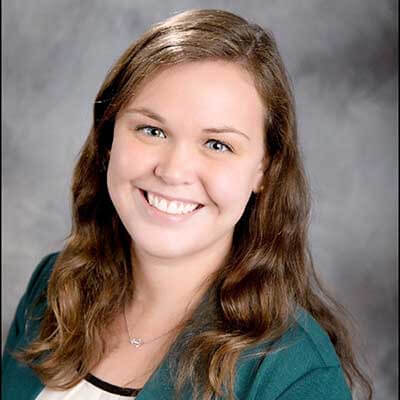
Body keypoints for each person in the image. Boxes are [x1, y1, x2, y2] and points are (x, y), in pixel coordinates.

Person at [2, 8, 372, 400]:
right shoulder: (53, 288)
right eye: (152, 129)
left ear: (264, 169)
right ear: (109, 137)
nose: (174, 170)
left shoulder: (293, 372)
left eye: (218, 144)